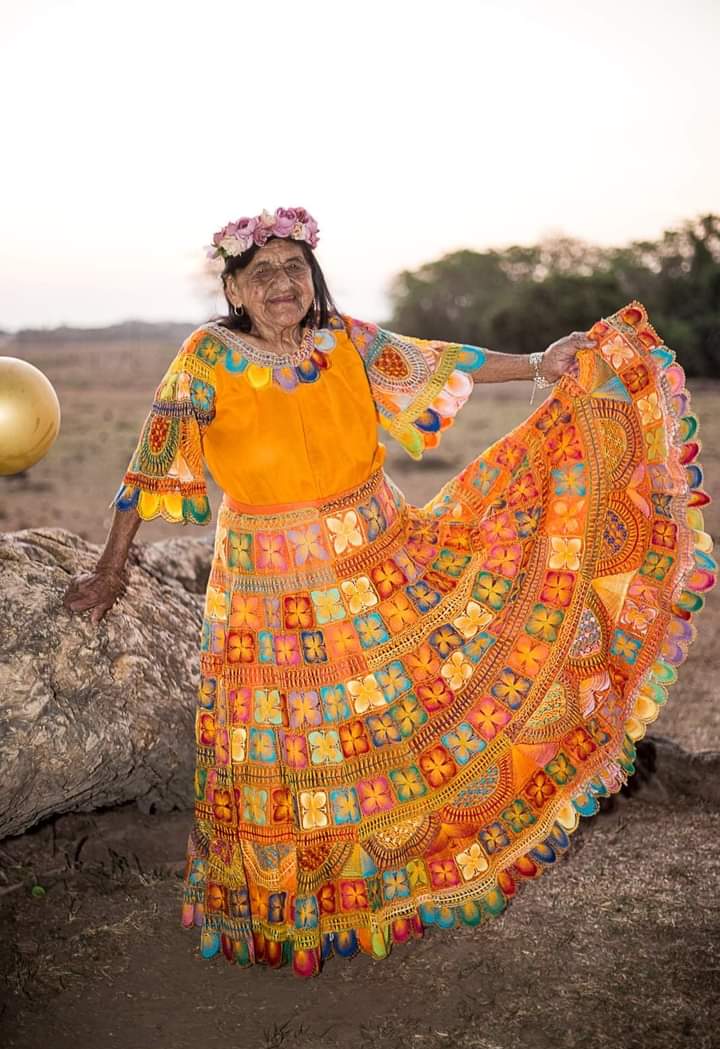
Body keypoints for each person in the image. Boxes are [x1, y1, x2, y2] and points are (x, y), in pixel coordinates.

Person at [63, 207, 714, 977]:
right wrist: (111, 567)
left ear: (314, 277)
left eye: (294, 268)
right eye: (262, 272)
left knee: (398, 716)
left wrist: (544, 361)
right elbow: (151, 462)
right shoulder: (207, 355)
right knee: (288, 736)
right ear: (234, 285)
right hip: (269, 586)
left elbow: (440, 360)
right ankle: (290, 906)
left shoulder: (345, 341)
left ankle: (392, 881)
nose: (282, 283)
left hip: (380, 555)